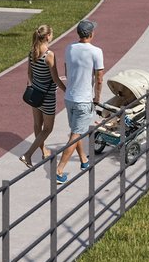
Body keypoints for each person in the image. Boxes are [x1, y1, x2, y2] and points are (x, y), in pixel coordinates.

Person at [49, 18, 105, 185]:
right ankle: (59, 171)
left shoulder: (69, 48)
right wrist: (97, 98)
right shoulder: (96, 52)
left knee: (76, 131)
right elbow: (99, 78)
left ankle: (84, 160)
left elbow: (67, 71)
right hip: (84, 100)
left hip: (69, 98)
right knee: (75, 135)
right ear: (91, 34)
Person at [20, 23, 60, 166]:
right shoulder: (49, 55)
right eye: (52, 34)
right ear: (48, 36)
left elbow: (29, 74)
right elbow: (55, 79)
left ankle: (44, 151)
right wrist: (67, 90)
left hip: (35, 95)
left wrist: (37, 84)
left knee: (38, 125)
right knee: (48, 128)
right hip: (47, 97)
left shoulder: (32, 52)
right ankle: (28, 154)